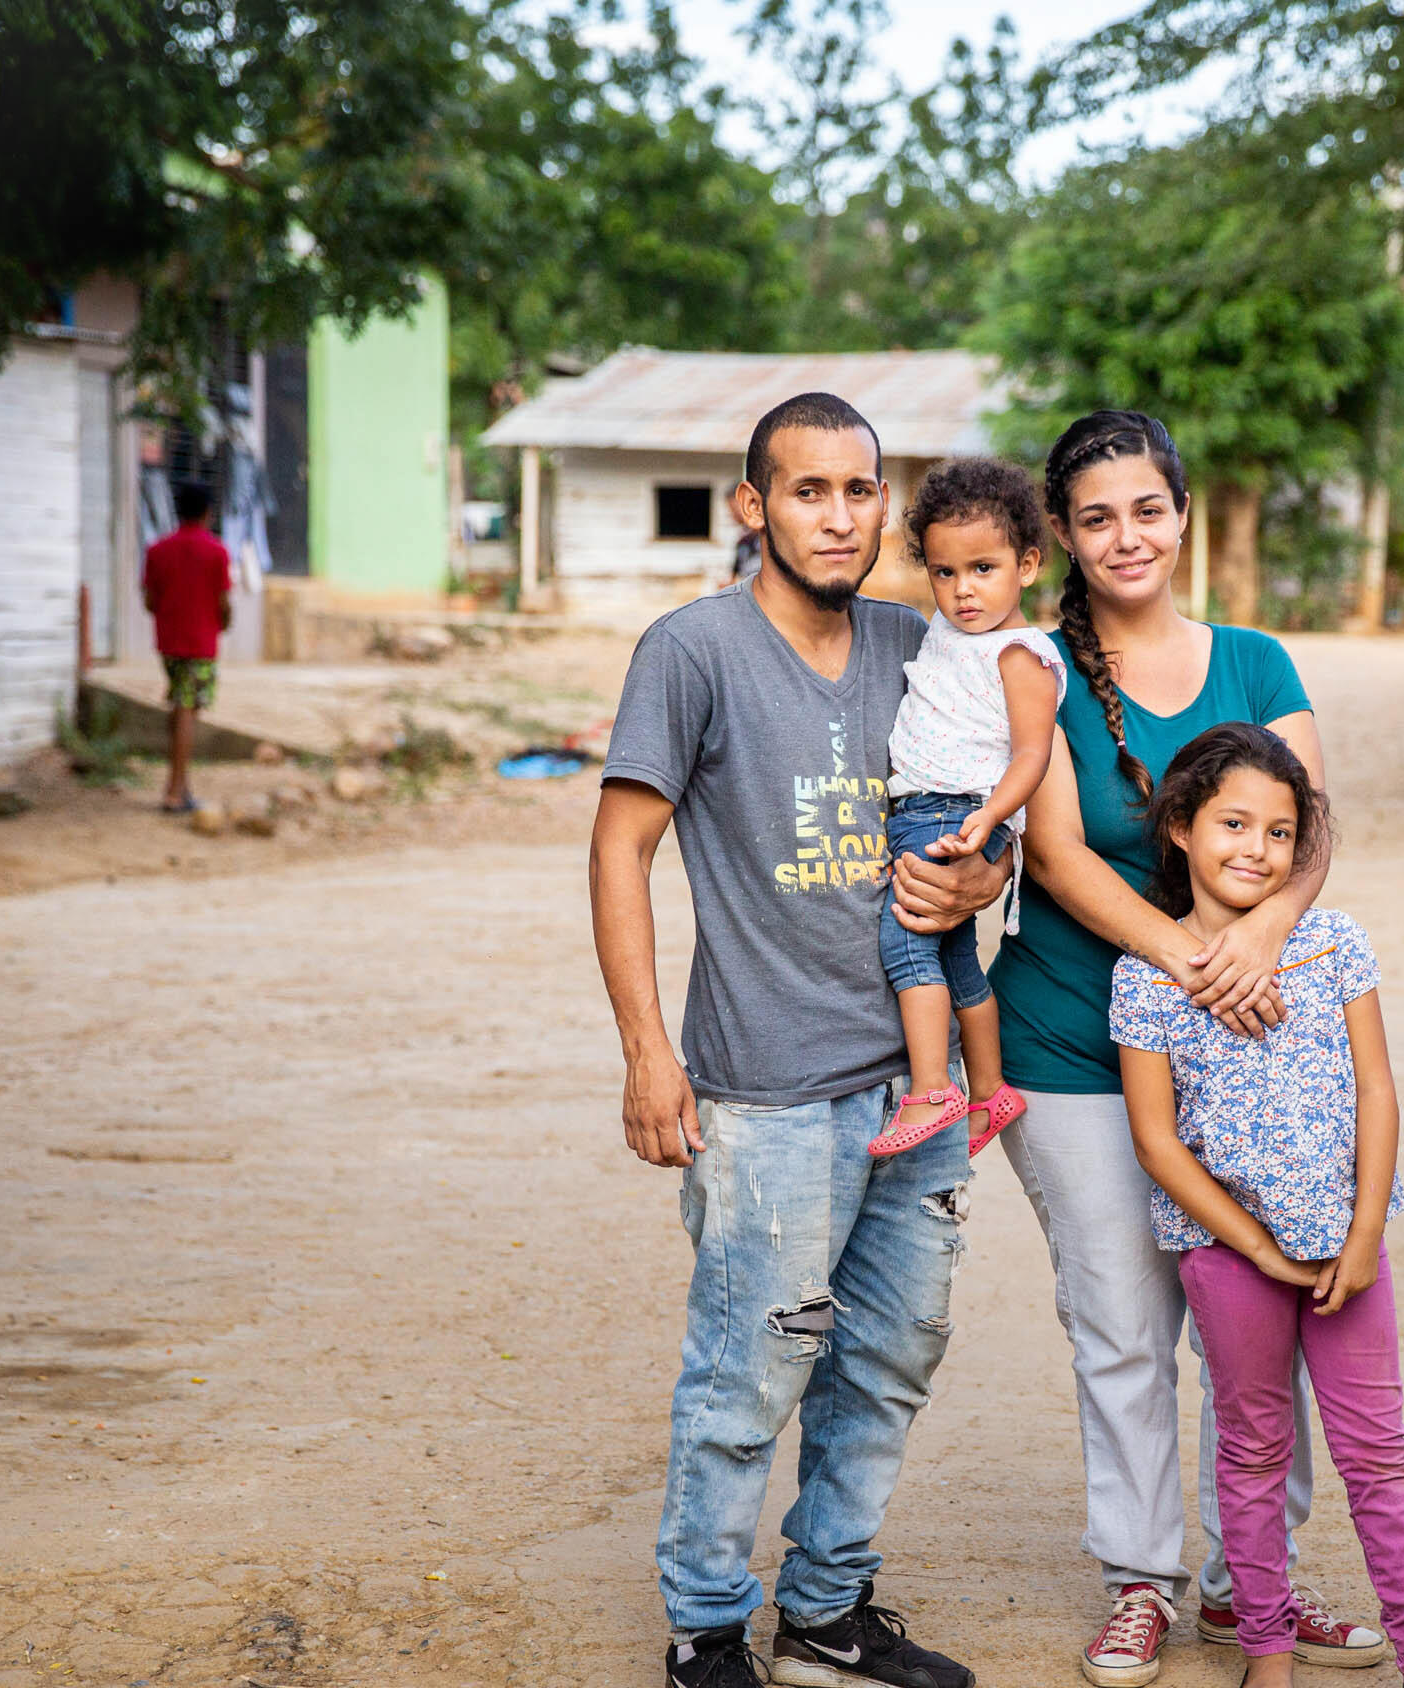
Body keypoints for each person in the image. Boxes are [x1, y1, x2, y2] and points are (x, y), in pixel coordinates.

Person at [591, 392, 1009, 1688]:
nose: (841, 514)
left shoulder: (921, 640)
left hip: (916, 1086)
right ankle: (707, 1629)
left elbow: (994, 793)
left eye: (861, 489)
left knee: (888, 1357)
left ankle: (827, 1611)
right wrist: (648, 1055)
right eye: (810, 490)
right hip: (767, 1091)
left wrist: (983, 876)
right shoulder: (692, 651)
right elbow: (621, 847)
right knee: (749, 1369)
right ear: (753, 507)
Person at [986, 411, 1388, 1685]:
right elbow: (1052, 854)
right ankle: (1145, 1578)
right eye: (1095, 516)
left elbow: (1309, 831)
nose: (1125, 537)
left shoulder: (1257, 662)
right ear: (1063, 530)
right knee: (1121, 1322)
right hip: (1070, 1042)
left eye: (1146, 509)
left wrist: (1263, 938)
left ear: (1183, 510)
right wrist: (1198, 956)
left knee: (1259, 1318)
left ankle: (1247, 1585)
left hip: (1248, 1059)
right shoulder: (1038, 666)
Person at [1110, 725, 1404, 1688]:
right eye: (1233, 823)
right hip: (1232, 1259)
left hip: (1349, 1253)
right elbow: (1157, 1139)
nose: (1255, 850)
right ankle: (1265, 1649)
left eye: (1279, 832)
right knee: (1255, 1448)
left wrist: (1363, 1235)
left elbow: (1377, 1092)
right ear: (1181, 828)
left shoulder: (1332, 944)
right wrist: (1258, 1252)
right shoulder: (1148, 975)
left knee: (1378, 1460)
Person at [866, 458, 1065, 1159]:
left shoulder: (1019, 654)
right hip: (932, 808)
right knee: (956, 962)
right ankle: (989, 1091)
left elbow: (1032, 756)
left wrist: (991, 819)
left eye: (983, 568)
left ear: (1028, 565)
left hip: (955, 811)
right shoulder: (949, 634)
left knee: (906, 940)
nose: (962, 590)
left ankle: (930, 1090)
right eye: (944, 573)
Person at [140, 483, 232, 814]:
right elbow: (223, 604)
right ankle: (175, 792)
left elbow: (150, 601)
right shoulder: (216, 551)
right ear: (208, 513)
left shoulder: (157, 550)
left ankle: (182, 786)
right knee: (186, 710)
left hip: (168, 643)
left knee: (181, 706)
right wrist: (221, 622)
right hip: (201, 643)